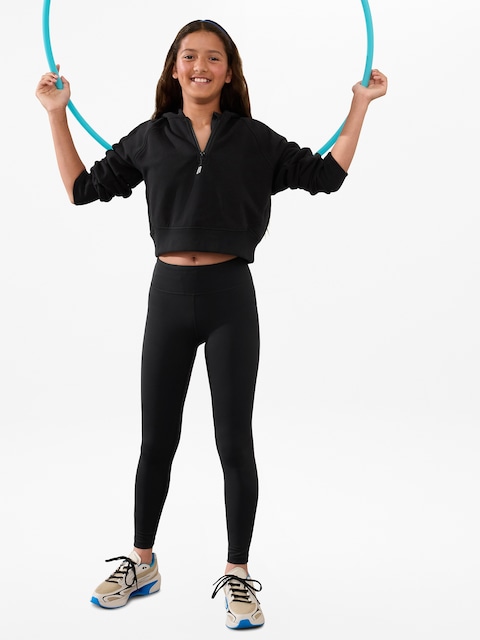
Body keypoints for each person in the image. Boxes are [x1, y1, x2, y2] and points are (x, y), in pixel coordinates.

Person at [36, 18, 387, 629]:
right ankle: (142, 563)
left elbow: (326, 176)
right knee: (156, 441)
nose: (200, 66)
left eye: (213, 57)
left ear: (229, 72)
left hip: (230, 300)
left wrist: (360, 104)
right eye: (189, 56)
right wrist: (56, 114)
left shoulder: (252, 139)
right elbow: (81, 188)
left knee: (233, 442)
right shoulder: (152, 137)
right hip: (168, 298)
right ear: (174, 69)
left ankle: (238, 573)